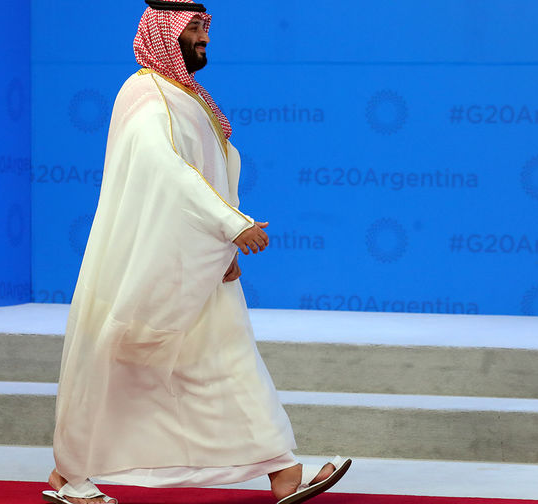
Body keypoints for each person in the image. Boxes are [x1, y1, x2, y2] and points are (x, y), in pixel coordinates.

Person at [43, 1, 350, 503]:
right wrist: (231, 224)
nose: (204, 36)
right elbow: (164, 170)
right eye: (194, 27)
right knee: (118, 363)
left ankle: (283, 470)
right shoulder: (146, 95)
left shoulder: (189, 97)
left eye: (206, 26)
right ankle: (69, 476)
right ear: (164, 32)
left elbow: (215, 171)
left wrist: (226, 243)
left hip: (199, 262)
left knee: (232, 362)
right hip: (153, 264)